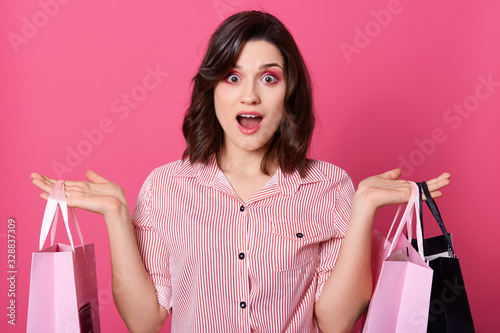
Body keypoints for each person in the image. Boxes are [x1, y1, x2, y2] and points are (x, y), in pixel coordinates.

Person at [31, 11, 450, 333]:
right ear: (212, 88)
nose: (249, 95)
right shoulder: (165, 187)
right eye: (233, 77)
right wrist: (118, 216)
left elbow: (335, 322)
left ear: (289, 93)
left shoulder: (329, 185)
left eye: (269, 78)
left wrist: (364, 208)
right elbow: (145, 321)